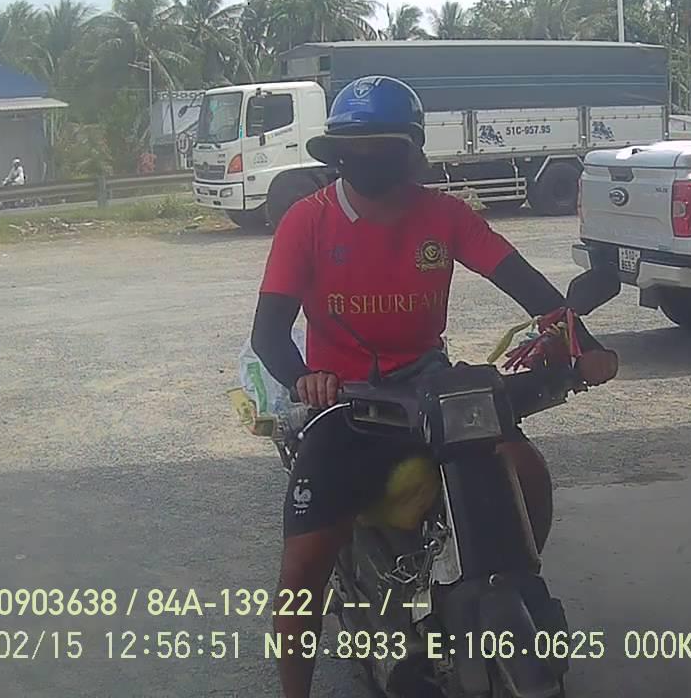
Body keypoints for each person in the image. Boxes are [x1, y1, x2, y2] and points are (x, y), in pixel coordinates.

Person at [249, 75, 619, 698]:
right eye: (355, 148)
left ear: (411, 153)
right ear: (337, 154)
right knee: (304, 565)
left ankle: (508, 582)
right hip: (347, 402)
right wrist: (305, 379)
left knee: (524, 470)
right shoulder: (307, 221)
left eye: (382, 147)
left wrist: (580, 342)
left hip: (429, 388)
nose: (367, 159)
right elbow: (268, 334)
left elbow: (524, 283)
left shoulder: (444, 216)